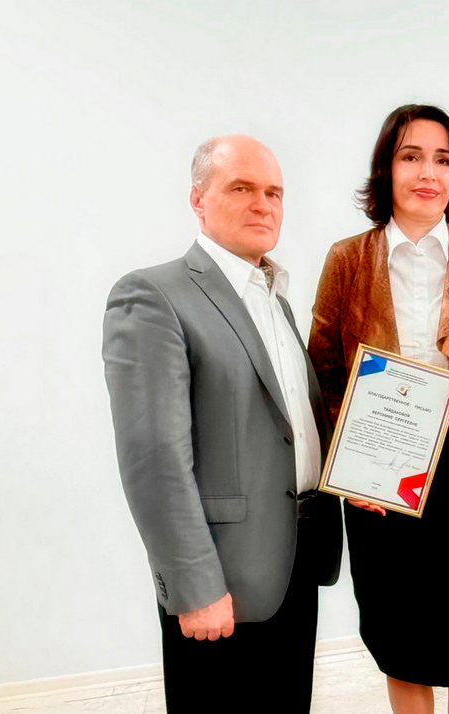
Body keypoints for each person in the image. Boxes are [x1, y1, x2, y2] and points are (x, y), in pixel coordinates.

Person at [308, 104, 449, 714]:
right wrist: (348, 469)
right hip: (377, 479)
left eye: (443, 159)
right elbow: (322, 377)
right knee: (403, 651)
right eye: (411, 156)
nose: (427, 173)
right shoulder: (346, 259)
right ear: (385, 169)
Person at [102, 135, 342, 712]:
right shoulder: (153, 296)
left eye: (274, 193)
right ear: (198, 199)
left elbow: (291, 429)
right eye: (241, 188)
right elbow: (155, 460)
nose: (263, 204)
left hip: (296, 559)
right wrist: (194, 585)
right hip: (221, 577)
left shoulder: (277, 300)